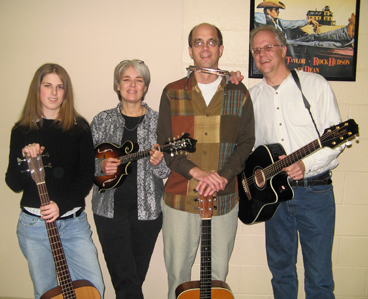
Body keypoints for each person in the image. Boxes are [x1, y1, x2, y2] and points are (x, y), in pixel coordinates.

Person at [157, 23, 255, 298]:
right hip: (181, 199)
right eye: (198, 43)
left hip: (224, 198)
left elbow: (246, 142)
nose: (205, 48)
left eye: (211, 42)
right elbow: (167, 146)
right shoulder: (172, 92)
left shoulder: (239, 92)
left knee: (217, 278)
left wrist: (223, 175)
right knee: (178, 276)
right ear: (190, 51)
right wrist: (197, 172)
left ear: (221, 49)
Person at [249, 25, 343, 298]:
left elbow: (337, 140)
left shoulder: (315, 85)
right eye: (257, 50)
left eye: (268, 47)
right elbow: (251, 149)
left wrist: (307, 165)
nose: (262, 54)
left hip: (315, 192)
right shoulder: (253, 97)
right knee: (281, 272)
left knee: (319, 276)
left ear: (282, 49)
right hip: (274, 197)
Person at [5, 63, 104, 299]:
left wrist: (60, 204)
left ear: (66, 92)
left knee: (93, 288)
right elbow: (14, 183)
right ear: (37, 90)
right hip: (35, 226)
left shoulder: (79, 128)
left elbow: (84, 178)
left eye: (60, 87)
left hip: (73, 223)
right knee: (46, 292)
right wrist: (24, 159)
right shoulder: (21, 130)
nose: (53, 93)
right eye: (47, 85)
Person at [91, 59, 171, 299]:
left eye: (139, 80)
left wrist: (159, 162)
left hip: (147, 211)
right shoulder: (101, 120)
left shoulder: (160, 122)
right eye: (126, 79)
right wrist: (101, 165)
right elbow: (87, 164)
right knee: (125, 278)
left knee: (133, 277)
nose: (132, 85)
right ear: (117, 85)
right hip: (108, 210)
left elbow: (166, 172)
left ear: (145, 86)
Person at [255, 0, 355, 48]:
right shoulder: (262, 19)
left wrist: (308, 21)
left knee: (314, 37)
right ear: (268, 11)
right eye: (276, 10)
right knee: (315, 42)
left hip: (288, 42)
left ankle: (344, 40)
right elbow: (252, 16)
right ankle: (345, 34)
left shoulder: (278, 21)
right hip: (284, 45)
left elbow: (292, 24)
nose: (278, 12)